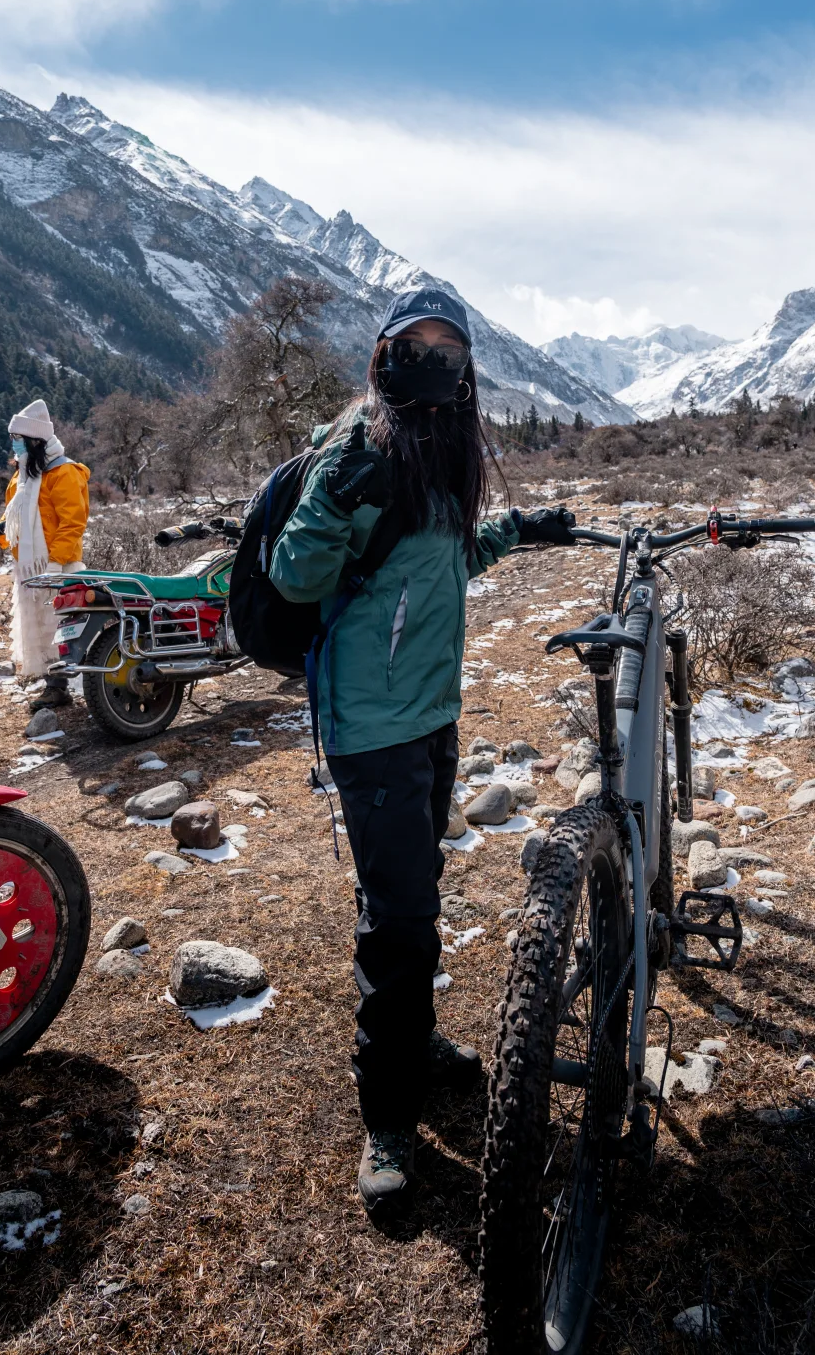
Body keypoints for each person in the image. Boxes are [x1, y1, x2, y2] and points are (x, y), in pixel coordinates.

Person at [270, 288, 578, 1217]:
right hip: (372, 728)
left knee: (414, 894)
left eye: (450, 349)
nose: (433, 362)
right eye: (417, 346)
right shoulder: (359, 447)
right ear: (385, 355)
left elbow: (437, 558)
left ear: (466, 369)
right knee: (395, 922)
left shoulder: (439, 446)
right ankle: (389, 1119)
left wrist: (519, 533)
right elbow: (297, 573)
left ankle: (416, 1043)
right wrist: (334, 498)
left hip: (429, 714)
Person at [0, 399, 91, 714]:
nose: (13, 444)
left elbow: (73, 523)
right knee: (40, 629)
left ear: (34, 440)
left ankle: (62, 685)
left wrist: (56, 562)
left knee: (59, 627)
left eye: (18, 438)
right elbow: (13, 515)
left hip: (58, 565)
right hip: (30, 569)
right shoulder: (24, 475)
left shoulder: (64, 472)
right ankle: (53, 684)